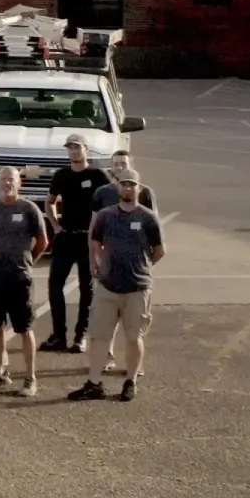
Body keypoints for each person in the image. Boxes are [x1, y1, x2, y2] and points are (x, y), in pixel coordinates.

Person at [69, 170, 164, 402]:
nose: (128, 188)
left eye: (132, 185)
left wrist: (141, 265)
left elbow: (159, 250)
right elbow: (95, 241)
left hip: (137, 287)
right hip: (108, 286)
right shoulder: (105, 215)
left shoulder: (148, 217)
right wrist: (101, 261)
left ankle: (130, 381)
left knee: (134, 337)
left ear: (139, 188)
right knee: (99, 336)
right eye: (124, 184)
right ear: (117, 187)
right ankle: (94, 383)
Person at [0, 166, 47, 397]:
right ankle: (0, 371)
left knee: (24, 328)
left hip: (20, 278)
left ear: (20, 183)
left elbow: (42, 241)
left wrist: (28, 261)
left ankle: (30, 377)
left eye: (12, 179)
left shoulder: (29, 209)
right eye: (3, 179)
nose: (7, 183)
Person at [43, 133, 108, 353]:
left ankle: (81, 336)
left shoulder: (98, 175)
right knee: (54, 285)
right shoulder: (62, 175)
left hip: (87, 239)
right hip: (66, 236)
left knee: (86, 288)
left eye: (77, 147)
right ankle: (59, 334)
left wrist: (101, 233)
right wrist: (56, 226)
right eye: (70, 148)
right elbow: (49, 202)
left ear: (86, 150)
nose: (73, 151)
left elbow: (108, 203)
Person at [91, 150, 157, 213]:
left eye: (123, 164)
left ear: (131, 167)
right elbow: (95, 220)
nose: (119, 167)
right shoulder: (102, 192)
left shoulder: (145, 192)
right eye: (116, 164)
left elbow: (152, 221)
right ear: (111, 167)